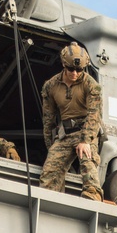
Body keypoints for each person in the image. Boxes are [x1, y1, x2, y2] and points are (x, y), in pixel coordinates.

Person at [39, 43, 103, 200]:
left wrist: (86, 140)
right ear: (63, 65)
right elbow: (48, 119)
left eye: (79, 70)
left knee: (87, 161)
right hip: (65, 135)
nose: (75, 73)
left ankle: (92, 196)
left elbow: (94, 114)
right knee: (49, 172)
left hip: (85, 132)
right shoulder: (51, 86)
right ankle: (49, 200)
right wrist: (50, 146)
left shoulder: (91, 85)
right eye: (71, 69)